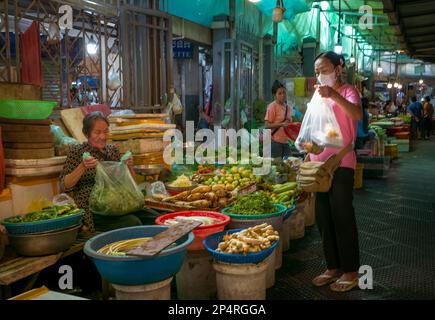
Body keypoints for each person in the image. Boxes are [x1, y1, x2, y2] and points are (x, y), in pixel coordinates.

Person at [308, 51, 362, 292]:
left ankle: (351, 271)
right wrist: (307, 147)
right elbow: (312, 126)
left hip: (341, 163)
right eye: (317, 71)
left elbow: (357, 115)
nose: (321, 75)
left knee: (342, 217)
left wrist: (334, 95)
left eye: (325, 69)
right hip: (318, 165)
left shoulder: (349, 91)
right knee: (324, 218)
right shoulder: (317, 95)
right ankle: (332, 267)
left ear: (339, 69)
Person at [59, 112, 144, 233]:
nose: (103, 136)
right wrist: (82, 166)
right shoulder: (77, 152)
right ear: (87, 133)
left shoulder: (112, 150)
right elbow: (63, 186)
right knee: (133, 222)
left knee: (151, 216)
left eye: (106, 131)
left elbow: (130, 184)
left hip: (118, 204)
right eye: (97, 132)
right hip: (94, 210)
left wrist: (129, 167)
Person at [264, 80, 292, 158]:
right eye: (279, 93)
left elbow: (289, 122)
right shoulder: (272, 107)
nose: (283, 95)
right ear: (275, 95)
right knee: (277, 166)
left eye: (284, 93)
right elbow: (267, 125)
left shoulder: (288, 108)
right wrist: (281, 124)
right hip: (275, 142)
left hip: (286, 142)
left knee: (288, 164)